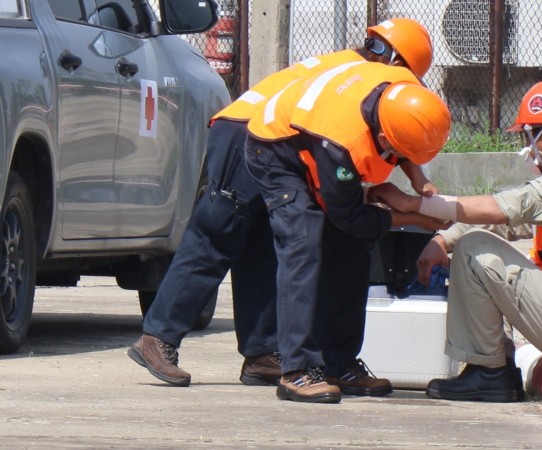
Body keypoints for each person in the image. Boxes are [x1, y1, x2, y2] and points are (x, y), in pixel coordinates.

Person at [127, 18, 437, 388]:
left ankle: (263, 352)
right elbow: (373, 127)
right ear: (402, 67)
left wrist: (419, 179)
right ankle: (158, 336)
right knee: (218, 235)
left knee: (263, 245)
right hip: (246, 129)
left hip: (284, 138)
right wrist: (409, 205)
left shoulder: (359, 68)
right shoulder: (364, 75)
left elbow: (392, 124)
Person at [368, 80, 542, 403]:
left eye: (527, 136)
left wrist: (414, 204)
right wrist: (443, 239)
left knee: (474, 250)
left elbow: (504, 208)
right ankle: (494, 367)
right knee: (475, 245)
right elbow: (506, 221)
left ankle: (489, 373)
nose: (526, 146)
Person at [243, 62, 451, 404]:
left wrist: (419, 180)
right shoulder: (343, 143)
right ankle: (297, 370)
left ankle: (338, 363)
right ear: (382, 139)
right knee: (304, 243)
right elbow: (350, 217)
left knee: (353, 249)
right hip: (275, 148)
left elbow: (403, 133)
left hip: (313, 134)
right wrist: (413, 215)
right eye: (398, 152)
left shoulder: (404, 89)